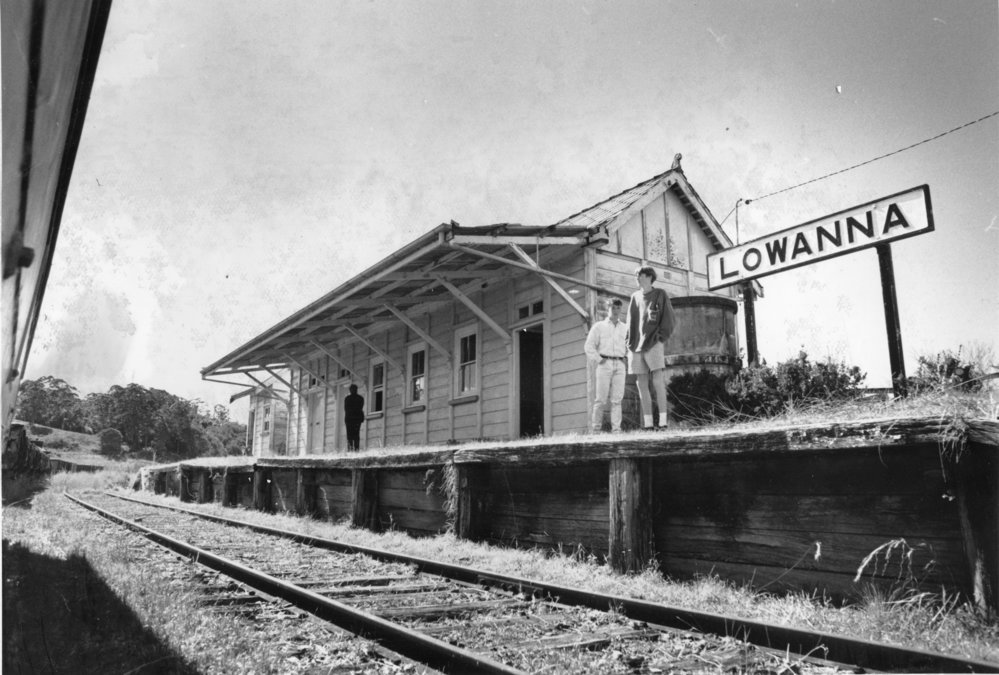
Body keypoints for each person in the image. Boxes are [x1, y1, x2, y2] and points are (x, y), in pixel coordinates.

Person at [626, 266, 676, 429]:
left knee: (657, 381)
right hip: (636, 346)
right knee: (641, 383)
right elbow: (630, 321)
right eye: (636, 276)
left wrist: (660, 338)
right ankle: (648, 423)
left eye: (639, 275)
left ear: (649, 277)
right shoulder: (635, 297)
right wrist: (629, 342)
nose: (637, 278)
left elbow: (669, 319)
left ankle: (663, 422)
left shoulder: (660, 294)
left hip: (654, 343)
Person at [584, 298, 629, 432]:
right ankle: (596, 429)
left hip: (620, 364)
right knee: (600, 399)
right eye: (613, 308)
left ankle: (616, 430)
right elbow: (588, 346)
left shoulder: (625, 328)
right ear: (607, 308)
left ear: (621, 310)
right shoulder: (599, 326)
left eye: (618, 308)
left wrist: (626, 357)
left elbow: (630, 346)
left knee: (617, 400)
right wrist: (599, 359)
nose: (615, 311)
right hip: (604, 364)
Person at [343, 384, 365, 451]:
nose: (352, 390)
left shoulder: (348, 398)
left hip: (352, 419)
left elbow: (346, 409)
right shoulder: (360, 398)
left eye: (353, 389)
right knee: (354, 435)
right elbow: (359, 408)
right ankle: (353, 449)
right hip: (354, 418)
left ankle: (353, 449)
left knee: (353, 435)